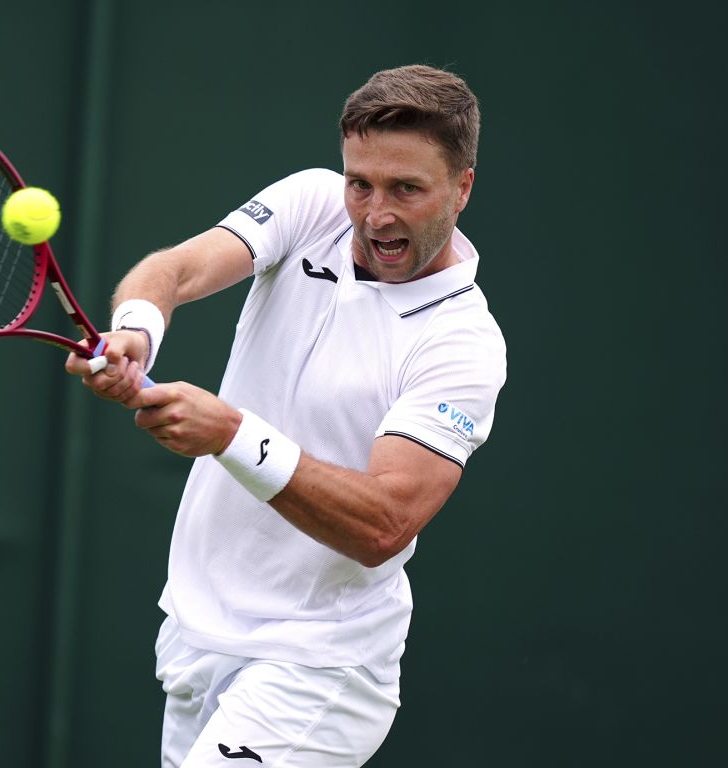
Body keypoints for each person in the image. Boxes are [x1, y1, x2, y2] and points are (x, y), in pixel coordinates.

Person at [66, 64, 507, 768]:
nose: (374, 214)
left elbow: (384, 525)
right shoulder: (312, 203)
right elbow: (175, 270)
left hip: (320, 666)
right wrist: (135, 333)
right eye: (360, 182)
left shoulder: (462, 344)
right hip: (197, 631)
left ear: (463, 189)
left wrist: (234, 435)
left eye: (407, 189)